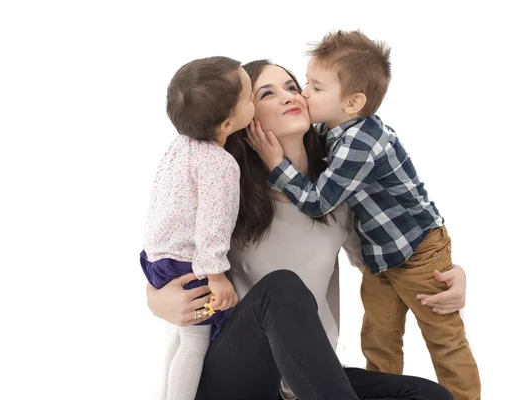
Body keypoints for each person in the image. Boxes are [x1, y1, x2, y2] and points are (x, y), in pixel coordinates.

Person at [147, 59, 464, 399]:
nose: (288, 96)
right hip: (235, 377)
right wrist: (155, 300)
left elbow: (391, 262)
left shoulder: (336, 197)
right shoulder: (226, 187)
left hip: (305, 382)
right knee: (283, 288)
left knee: (429, 395)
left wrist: (447, 273)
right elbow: (168, 248)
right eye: (267, 93)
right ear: (242, 116)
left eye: (293, 87)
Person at [246, 30, 480, 400]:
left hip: (417, 253)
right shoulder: (327, 137)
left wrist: (454, 272)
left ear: (353, 102)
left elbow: (320, 202)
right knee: (378, 336)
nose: (301, 94)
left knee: (442, 341)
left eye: (309, 87)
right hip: (378, 257)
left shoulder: (356, 148)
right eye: (272, 91)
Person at [140, 56, 254, 400]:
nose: (252, 104)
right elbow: (212, 225)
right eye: (249, 99)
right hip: (190, 266)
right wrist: (216, 276)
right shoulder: (219, 164)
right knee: (195, 343)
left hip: (158, 259)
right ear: (228, 123)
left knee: (180, 335)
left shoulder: (180, 147)